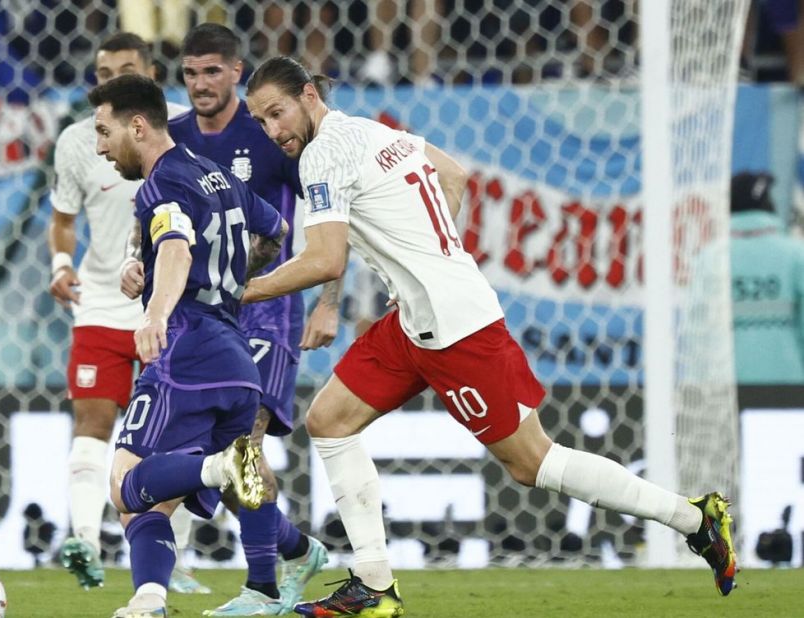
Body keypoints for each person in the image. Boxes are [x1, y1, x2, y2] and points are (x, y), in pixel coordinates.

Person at [242, 56, 739, 616]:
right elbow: (453, 175)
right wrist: (429, 256)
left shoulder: (323, 154)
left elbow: (326, 260)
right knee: (328, 420)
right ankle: (373, 586)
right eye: (260, 121)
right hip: (414, 320)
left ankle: (694, 518)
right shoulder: (372, 130)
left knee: (532, 463)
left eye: (277, 113)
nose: (272, 131)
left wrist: (241, 291)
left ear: (309, 95)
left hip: (455, 327)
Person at [86, 72, 286, 618]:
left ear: (137, 125)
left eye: (104, 132)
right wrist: (225, 281)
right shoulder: (215, 174)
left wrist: (156, 311)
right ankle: (258, 583)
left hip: (187, 352)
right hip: (236, 359)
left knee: (127, 486)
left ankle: (216, 471)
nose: (100, 147)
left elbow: (174, 245)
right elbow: (275, 231)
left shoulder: (162, 184)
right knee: (167, 497)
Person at [168, 22, 333, 615]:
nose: (200, 84)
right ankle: (293, 548)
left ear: (238, 71)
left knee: (243, 442)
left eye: (212, 71)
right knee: (226, 458)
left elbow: (326, 214)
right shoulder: (176, 137)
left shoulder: (268, 134)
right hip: (206, 318)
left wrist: (329, 298)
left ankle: (261, 588)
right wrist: (140, 264)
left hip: (270, 314)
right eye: (190, 73)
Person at [48, 31, 209, 595]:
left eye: (123, 69)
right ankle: (85, 544)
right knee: (92, 420)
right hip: (97, 300)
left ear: (148, 75)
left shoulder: (184, 132)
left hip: (168, 303)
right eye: (102, 70)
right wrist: (60, 264)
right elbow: (64, 216)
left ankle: (177, 558)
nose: (109, 78)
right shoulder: (76, 141)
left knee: (174, 432)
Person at [727, 172, 804, 383]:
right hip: (789, 388)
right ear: (766, 204)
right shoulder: (796, 254)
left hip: (723, 393)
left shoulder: (709, 258)